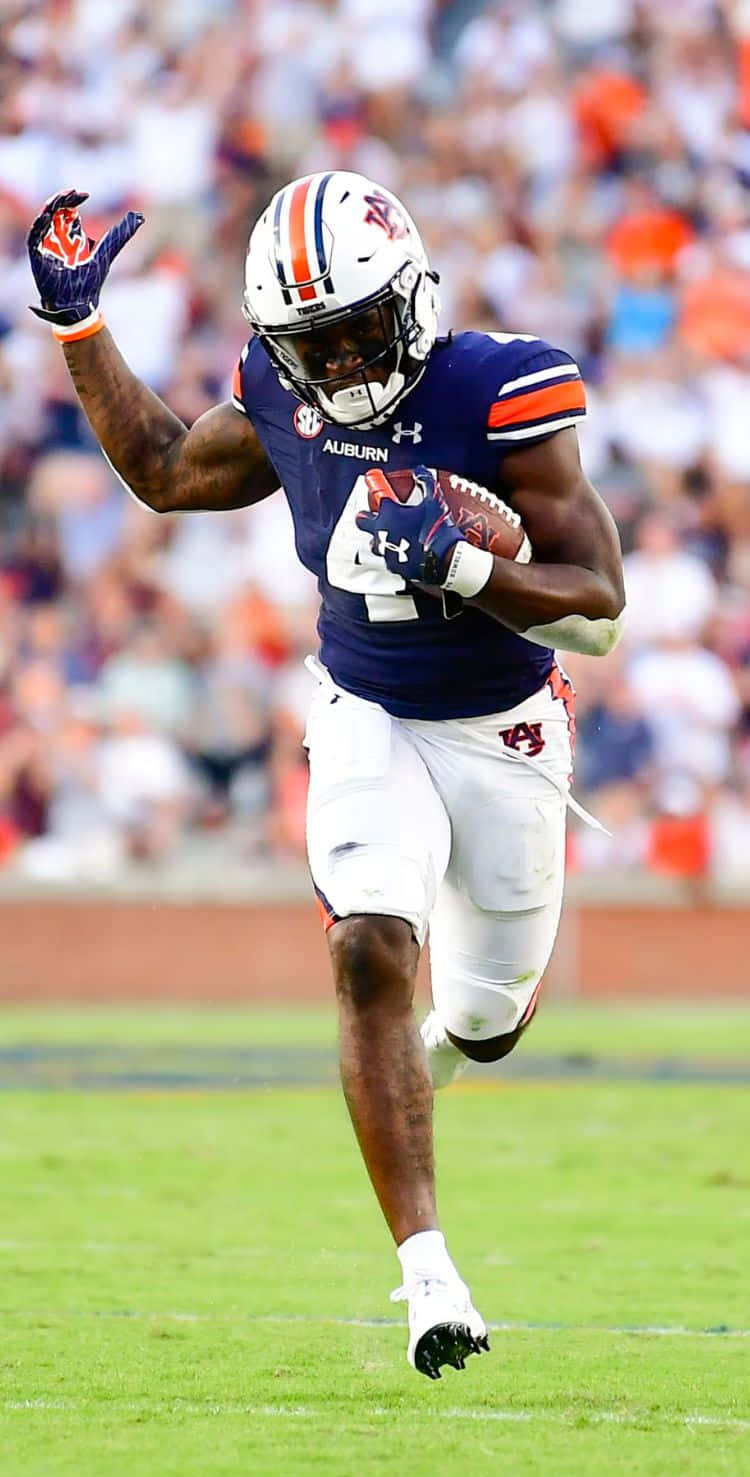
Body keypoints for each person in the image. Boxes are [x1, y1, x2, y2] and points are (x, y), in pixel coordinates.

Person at [26, 176, 625, 1380]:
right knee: (365, 949)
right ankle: (430, 1278)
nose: (343, 361)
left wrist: (462, 565)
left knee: (489, 1024)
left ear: (410, 296)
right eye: (314, 342)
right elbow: (165, 471)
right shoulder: (279, 394)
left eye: (358, 326)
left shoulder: (502, 388)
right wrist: (81, 334)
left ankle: (455, 1037)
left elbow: (598, 611)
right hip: (366, 712)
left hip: (507, 727)